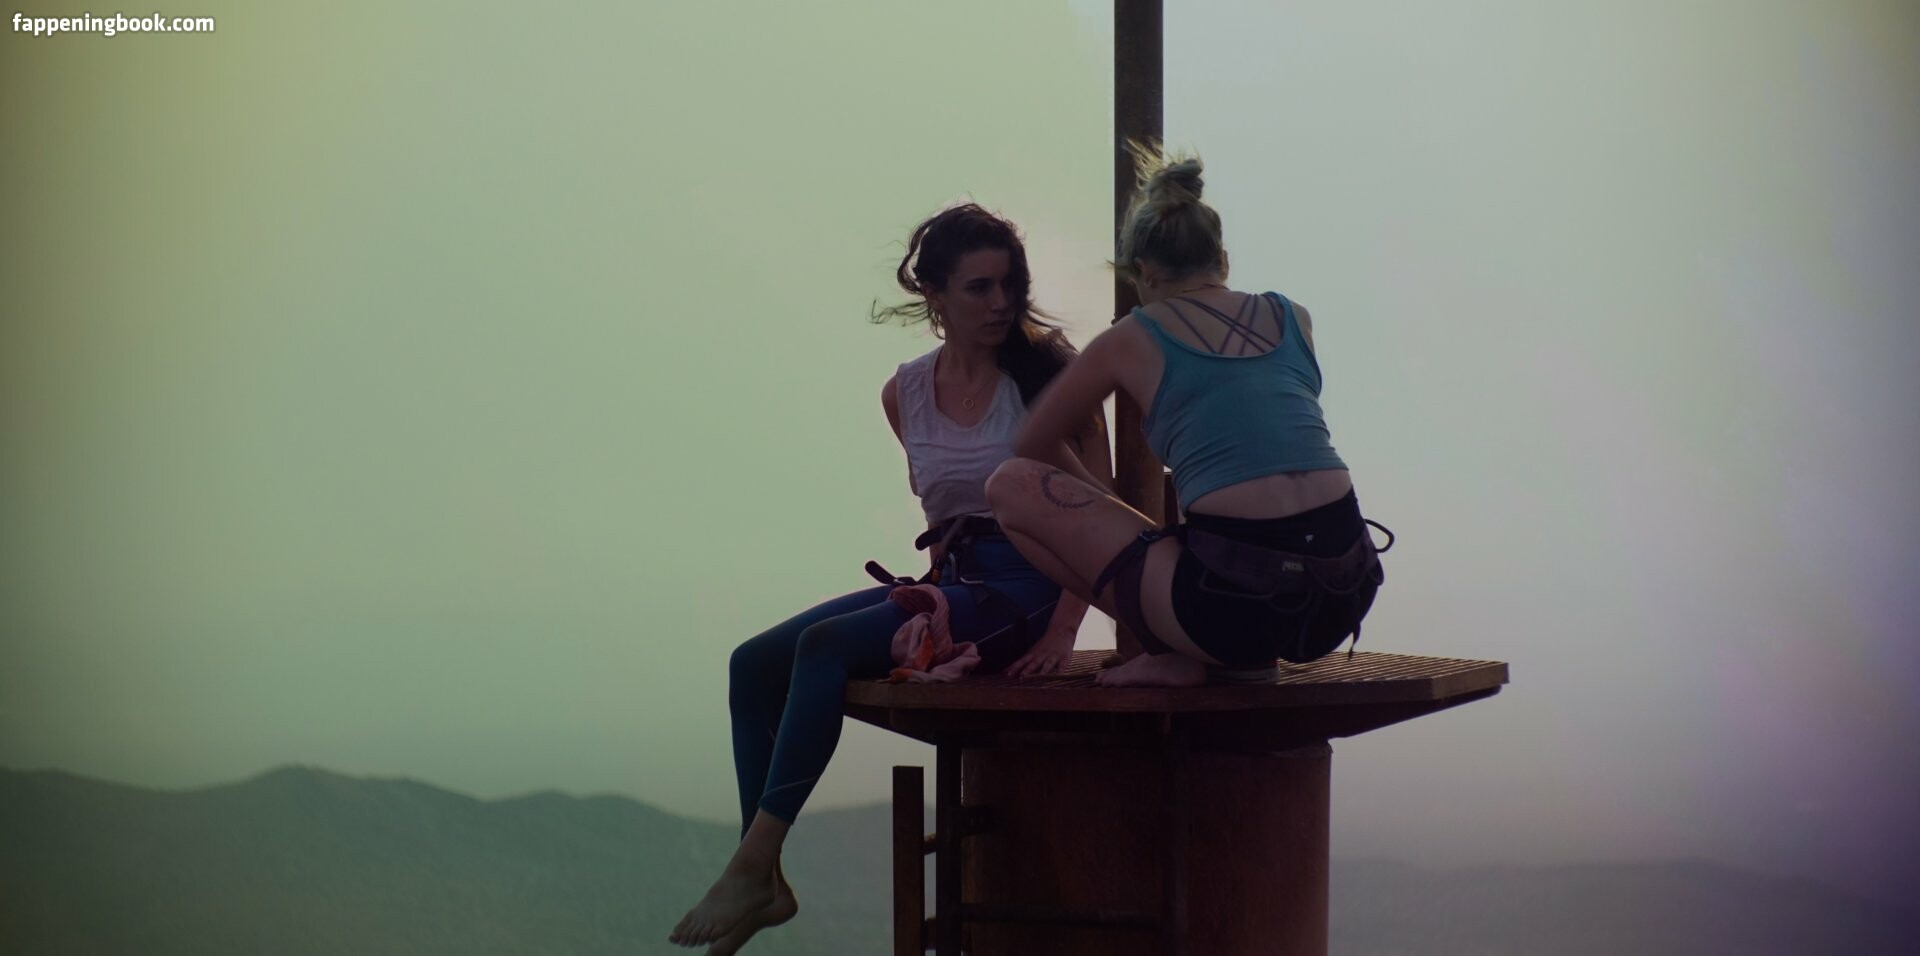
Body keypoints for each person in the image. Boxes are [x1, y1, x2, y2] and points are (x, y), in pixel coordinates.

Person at [670, 203, 1111, 951]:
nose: (1000, 302)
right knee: (753, 663)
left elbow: (1103, 520)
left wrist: (1065, 628)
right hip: (953, 583)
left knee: (825, 648)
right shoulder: (903, 393)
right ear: (933, 295)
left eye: (1009, 284)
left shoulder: (1047, 379)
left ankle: (749, 866)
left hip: (1027, 592)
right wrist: (927, 604)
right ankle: (764, 877)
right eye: (978, 287)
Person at [984, 143, 1388, 689]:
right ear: (1223, 260)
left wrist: (1115, 513)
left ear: (1144, 272)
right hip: (1343, 593)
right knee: (1221, 530)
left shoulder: (1131, 336)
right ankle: (1227, 657)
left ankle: (1173, 650)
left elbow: (1032, 442)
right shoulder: (1294, 316)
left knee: (1009, 485)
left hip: (1229, 608)